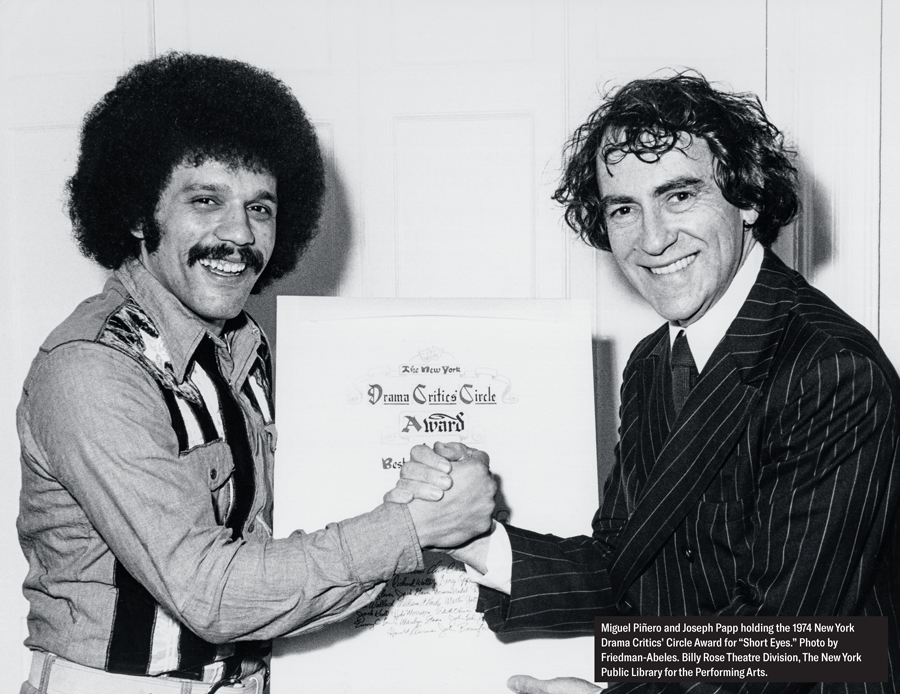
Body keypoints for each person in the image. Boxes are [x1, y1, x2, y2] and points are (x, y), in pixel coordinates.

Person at [392, 72, 900, 693]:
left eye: (679, 196)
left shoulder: (829, 368)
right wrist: (473, 536)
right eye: (625, 209)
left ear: (748, 198)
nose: (653, 239)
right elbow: (625, 562)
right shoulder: (654, 361)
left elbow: (789, 640)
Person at [16, 52, 496, 694]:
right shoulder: (92, 369)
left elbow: (277, 575)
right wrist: (410, 530)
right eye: (206, 200)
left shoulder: (245, 349)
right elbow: (210, 594)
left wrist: (412, 504)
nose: (238, 234)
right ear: (137, 214)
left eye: (260, 208)